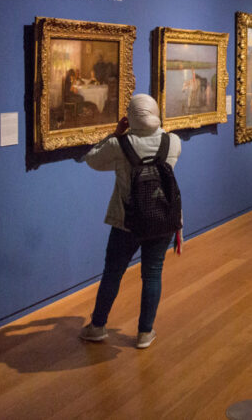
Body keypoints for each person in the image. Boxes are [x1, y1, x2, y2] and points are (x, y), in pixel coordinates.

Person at [78, 94, 183, 349]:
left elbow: (92, 159)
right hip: (162, 218)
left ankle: (97, 326)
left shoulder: (119, 145)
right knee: (153, 273)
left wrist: (115, 134)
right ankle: (145, 332)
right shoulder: (173, 141)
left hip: (127, 221)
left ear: (130, 116)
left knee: (113, 273)